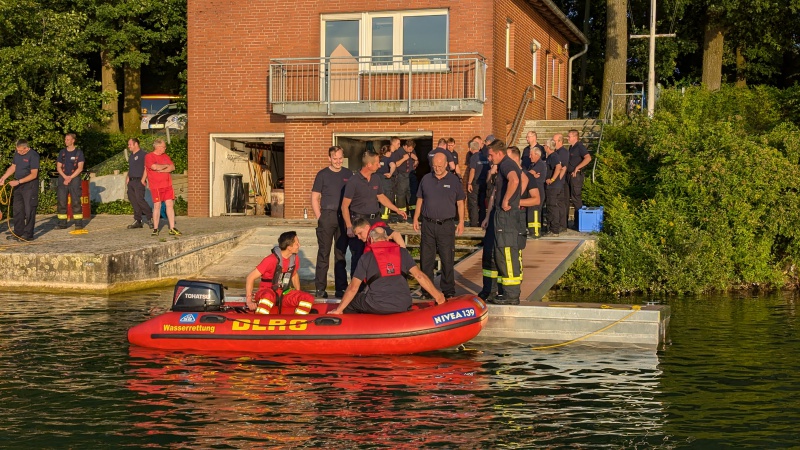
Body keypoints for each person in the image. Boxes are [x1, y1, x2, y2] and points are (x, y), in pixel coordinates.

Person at [330, 221, 444, 314]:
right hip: (403, 304)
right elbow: (419, 276)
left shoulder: (366, 257)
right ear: (387, 238)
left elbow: (353, 288)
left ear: (372, 240)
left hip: (377, 304)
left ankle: (359, 330)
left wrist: (339, 310)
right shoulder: (402, 253)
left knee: (351, 302)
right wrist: (438, 296)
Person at [341, 151, 407, 279]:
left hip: (375, 220)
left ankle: (379, 284)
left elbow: (381, 197)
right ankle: (357, 291)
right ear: (369, 165)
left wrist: (397, 210)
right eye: (377, 163)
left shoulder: (376, 178)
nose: (380, 165)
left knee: (379, 252)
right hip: (359, 221)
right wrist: (349, 226)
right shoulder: (353, 181)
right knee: (359, 256)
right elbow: (344, 206)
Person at [413, 152, 466, 298]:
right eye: (434, 166)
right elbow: (420, 199)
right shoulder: (426, 179)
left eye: (439, 166)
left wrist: (461, 221)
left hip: (446, 225)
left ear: (446, 165)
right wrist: (416, 218)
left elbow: (460, 202)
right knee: (426, 260)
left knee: (447, 258)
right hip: (428, 224)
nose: (436, 169)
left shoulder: (454, 180)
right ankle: (427, 291)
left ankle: (448, 290)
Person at [480, 140, 525, 305]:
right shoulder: (502, 166)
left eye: (491, 155)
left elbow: (515, 181)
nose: (489, 158)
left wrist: (506, 200)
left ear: (500, 153)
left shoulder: (507, 164)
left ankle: (511, 295)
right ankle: (497, 292)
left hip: (506, 216)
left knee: (506, 253)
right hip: (499, 216)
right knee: (497, 253)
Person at [311, 145, 353, 299]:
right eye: (335, 158)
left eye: (340, 158)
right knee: (324, 253)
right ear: (329, 158)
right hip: (327, 217)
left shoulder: (349, 174)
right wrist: (319, 217)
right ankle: (320, 289)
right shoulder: (322, 174)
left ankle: (341, 288)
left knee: (340, 254)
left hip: (343, 217)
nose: (338, 161)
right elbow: (315, 197)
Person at [245, 231, 315, 315]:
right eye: (297, 243)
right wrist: (249, 300)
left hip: (284, 293)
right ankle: (259, 320)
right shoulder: (270, 260)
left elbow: (294, 275)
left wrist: (298, 292)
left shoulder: (295, 259)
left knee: (308, 297)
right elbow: (250, 277)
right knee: (268, 296)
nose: (299, 245)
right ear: (289, 247)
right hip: (267, 292)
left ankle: (296, 323)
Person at [0, 140, 39, 241]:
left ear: (26, 148)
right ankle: (18, 232)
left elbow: (34, 174)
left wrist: (19, 181)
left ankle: (28, 234)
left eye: (21, 151)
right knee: (17, 210)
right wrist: (4, 177)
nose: (19, 152)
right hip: (18, 186)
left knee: (29, 210)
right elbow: (13, 167)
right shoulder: (17, 154)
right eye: (17, 150)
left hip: (29, 186)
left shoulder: (33, 155)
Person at [145, 139, 181, 236]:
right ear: (158, 147)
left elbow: (172, 167)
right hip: (156, 186)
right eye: (164, 147)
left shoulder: (165, 156)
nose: (165, 148)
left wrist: (163, 169)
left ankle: (172, 227)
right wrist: (165, 166)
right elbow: (154, 167)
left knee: (170, 204)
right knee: (157, 206)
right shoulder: (149, 156)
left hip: (167, 185)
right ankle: (156, 229)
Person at [508, 147, 541, 238]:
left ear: (516, 159)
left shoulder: (528, 176)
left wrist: (517, 202)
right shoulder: (504, 175)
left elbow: (536, 199)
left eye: (507, 158)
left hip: (519, 216)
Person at [55, 133, 85, 230]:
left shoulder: (79, 153)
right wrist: (65, 177)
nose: (66, 141)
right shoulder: (62, 152)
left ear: (73, 141)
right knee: (61, 201)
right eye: (65, 139)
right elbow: (58, 167)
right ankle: (62, 224)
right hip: (62, 178)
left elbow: (80, 168)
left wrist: (70, 177)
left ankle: (78, 224)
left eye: (68, 139)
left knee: (76, 201)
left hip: (74, 179)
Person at [566, 129, 592, 230]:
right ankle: (573, 222)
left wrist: (578, 167)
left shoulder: (579, 146)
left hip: (576, 176)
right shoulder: (571, 148)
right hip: (569, 176)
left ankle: (579, 223)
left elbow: (588, 158)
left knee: (576, 198)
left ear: (575, 137)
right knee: (570, 198)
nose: (567, 138)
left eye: (569, 136)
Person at [126, 138, 151, 229]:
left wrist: (143, 180)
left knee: (140, 199)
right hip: (131, 181)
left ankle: (150, 217)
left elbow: (147, 168)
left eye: (130, 144)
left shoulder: (144, 155)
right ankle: (138, 220)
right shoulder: (131, 156)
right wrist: (128, 177)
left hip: (139, 180)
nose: (128, 146)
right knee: (133, 200)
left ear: (136, 144)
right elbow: (131, 168)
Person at [392, 138, 418, 222]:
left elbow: (416, 163)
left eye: (412, 149)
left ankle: (414, 216)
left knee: (412, 195)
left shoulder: (412, 151)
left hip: (411, 175)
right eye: (409, 149)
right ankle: (401, 217)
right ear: (405, 146)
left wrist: (416, 160)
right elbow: (395, 164)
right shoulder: (398, 152)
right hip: (402, 176)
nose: (411, 151)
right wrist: (404, 158)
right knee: (401, 196)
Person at [467, 139, 490, 227]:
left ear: (470, 149)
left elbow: (472, 170)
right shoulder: (484, 157)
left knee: (473, 203)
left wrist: (469, 183)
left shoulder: (473, 157)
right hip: (484, 183)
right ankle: (482, 223)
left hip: (475, 183)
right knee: (482, 204)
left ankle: (473, 224)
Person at [544, 139, 564, 236]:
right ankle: (551, 227)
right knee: (551, 207)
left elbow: (558, 167)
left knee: (552, 207)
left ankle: (554, 230)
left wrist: (552, 179)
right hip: (553, 187)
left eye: (544, 146)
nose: (544, 147)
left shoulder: (554, 156)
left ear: (548, 147)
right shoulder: (551, 157)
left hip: (553, 187)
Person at [528, 146, 547, 238]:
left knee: (535, 211)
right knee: (532, 211)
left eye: (531, 154)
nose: (529, 156)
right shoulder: (533, 165)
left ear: (536, 155)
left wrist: (531, 174)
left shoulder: (540, 164)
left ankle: (535, 232)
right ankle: (532, 231)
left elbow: (528, 173)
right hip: (534, 190)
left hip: (538, 190)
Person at [553, 133, 570, 231]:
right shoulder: (557, 152)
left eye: (554, 140)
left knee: (560, 203)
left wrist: (557, 180)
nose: (553, 142)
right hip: (557, 182)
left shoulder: (563, 152)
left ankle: (562, 224)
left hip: (560, 182)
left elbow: (563, 167)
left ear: (560, 141)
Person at [377, 144, 396, 220]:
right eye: (390, 152)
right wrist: (391, 173)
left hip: (377, 180)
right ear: (387, 152)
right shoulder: (389, 159)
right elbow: (393, 166)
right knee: (387, 199)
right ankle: (385, 219)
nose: (391, 153)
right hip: (386, 181)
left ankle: (379, 217)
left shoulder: (378, 159)